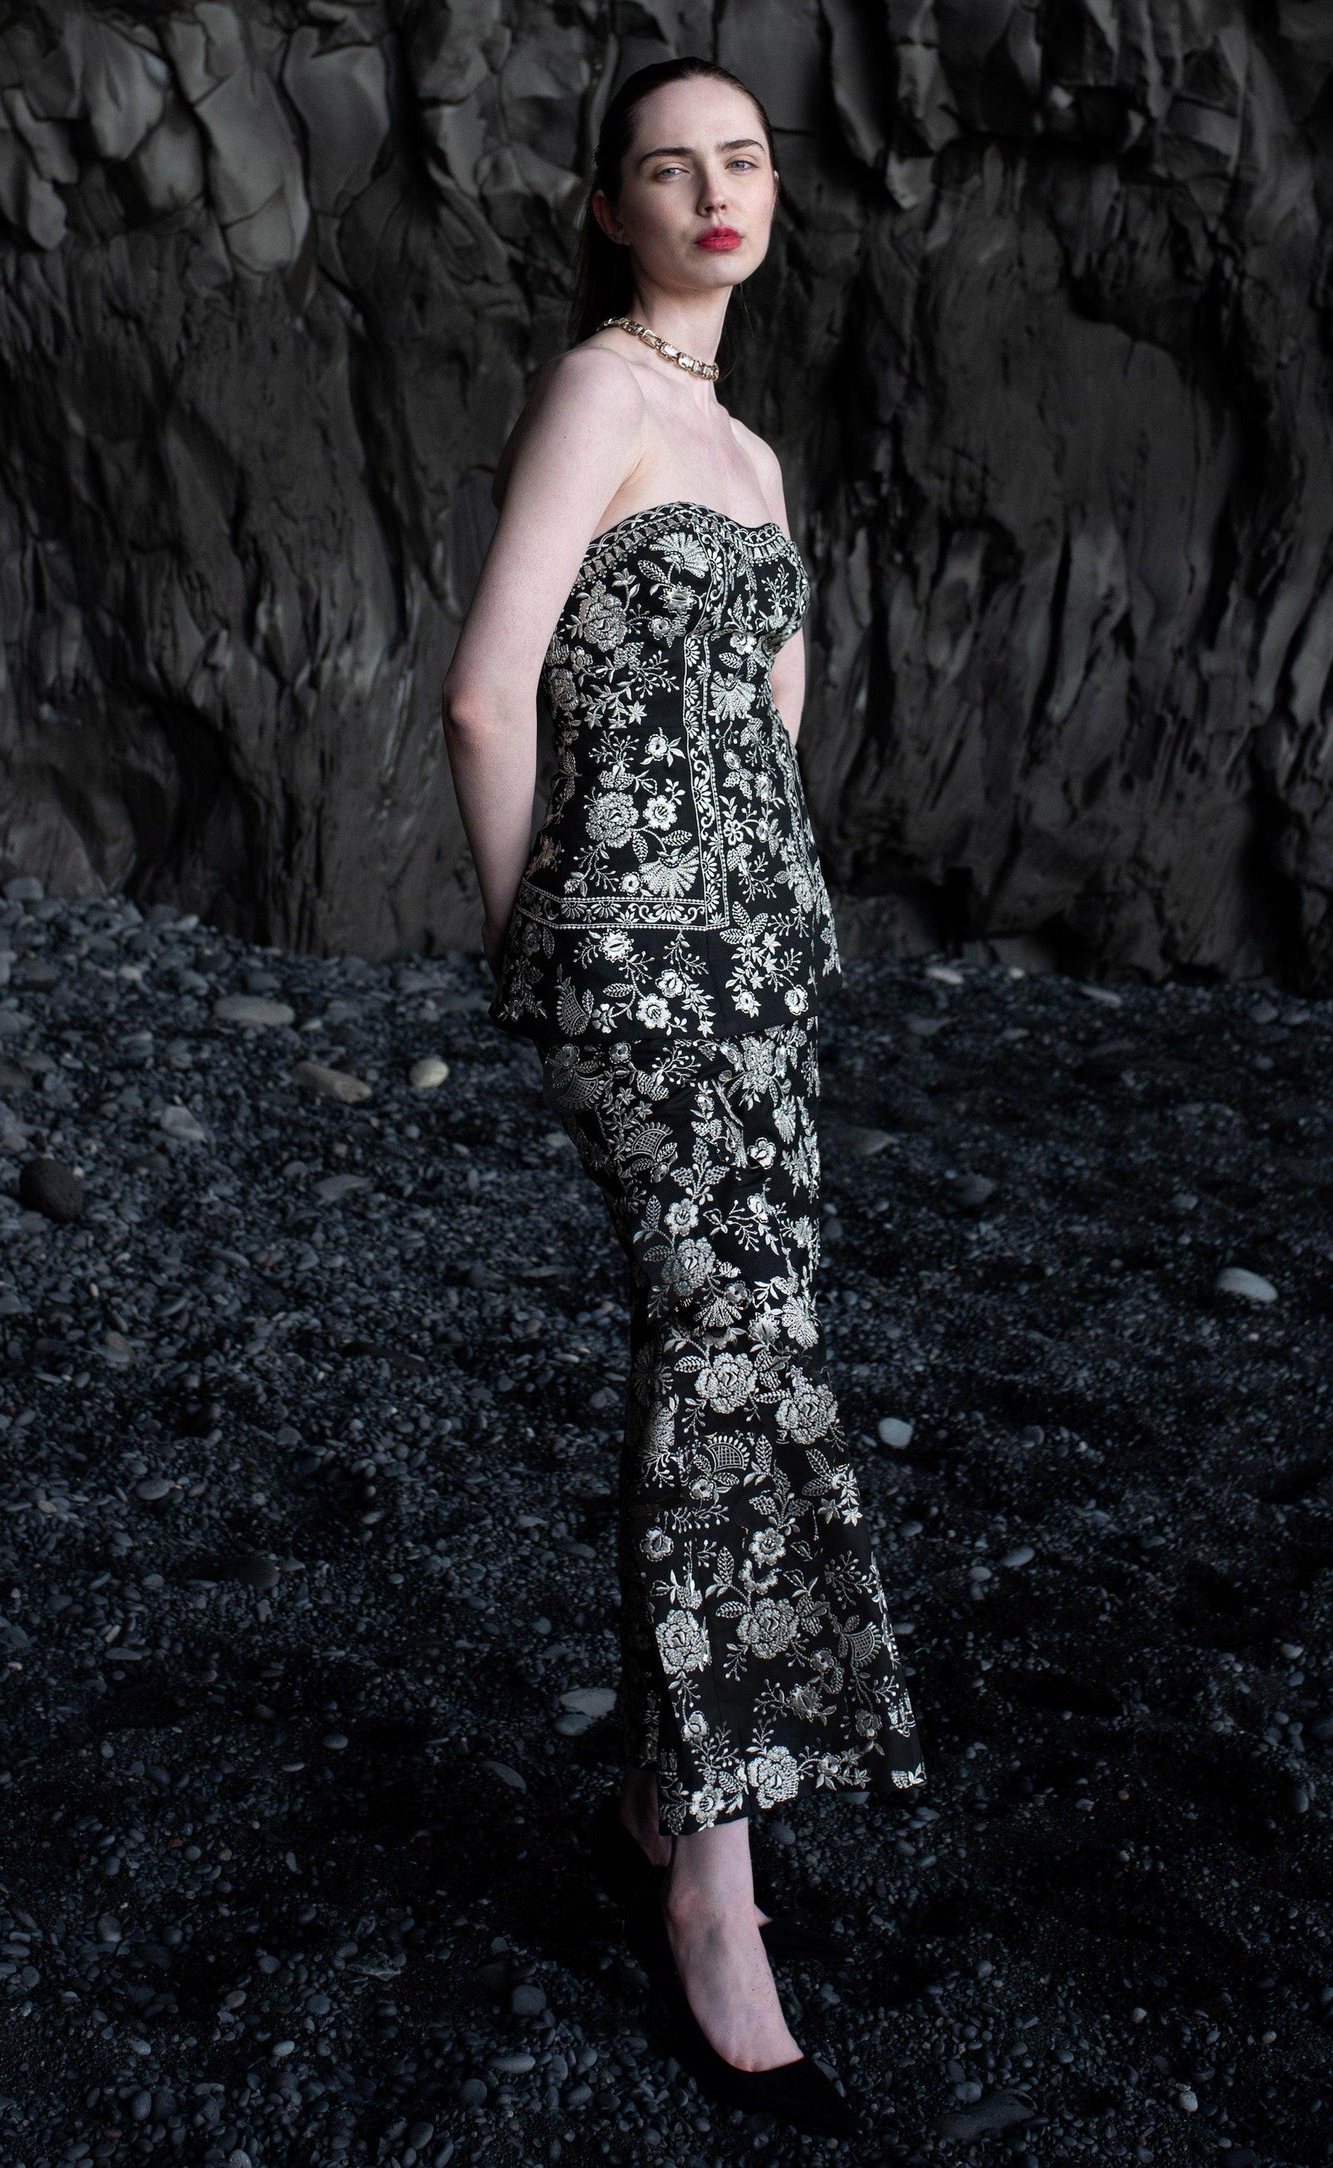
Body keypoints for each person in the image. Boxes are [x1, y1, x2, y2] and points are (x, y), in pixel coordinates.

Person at [440, 53, 927, 2138]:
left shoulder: (748, 448)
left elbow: (773, 724)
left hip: (760, 961)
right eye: (669, 166)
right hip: (639, 960)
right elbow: (486, 691)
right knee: (730, 1355)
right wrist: (536, 946)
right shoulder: (601, 395)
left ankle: (665, 1794)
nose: (715, 192)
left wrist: (774, 921)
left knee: (739, 1338)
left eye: (741, 160)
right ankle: (714, 1896)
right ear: (612, 206)